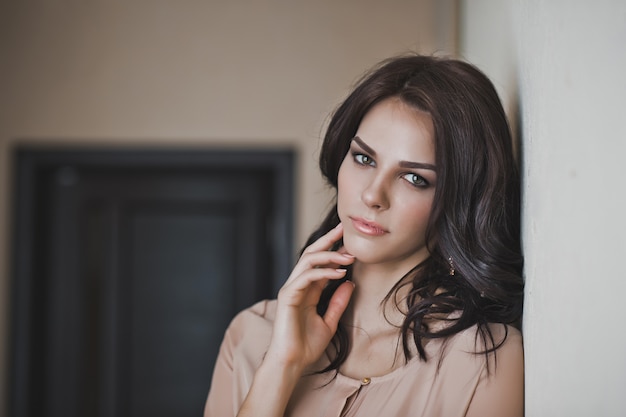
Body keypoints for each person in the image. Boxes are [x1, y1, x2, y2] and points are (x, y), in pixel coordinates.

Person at [204, 54, 525, 417]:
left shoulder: (483, 360)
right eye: (364, 159)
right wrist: (281, 365)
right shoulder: (250, 335)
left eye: (415, 178)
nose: (373, 195)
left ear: (460, 202)